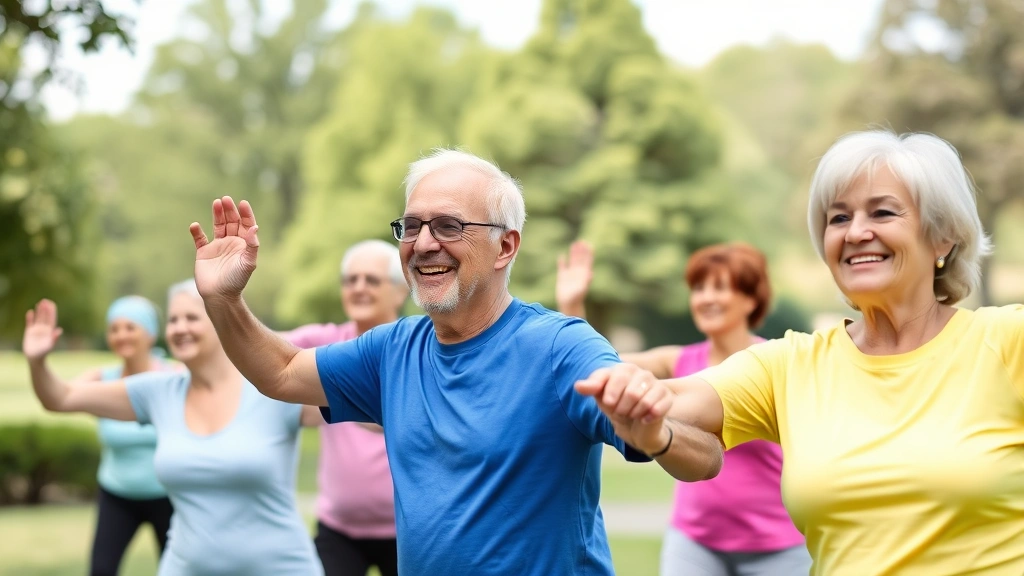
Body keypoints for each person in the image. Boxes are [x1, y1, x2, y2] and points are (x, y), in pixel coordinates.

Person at [186, 149, 713, 575]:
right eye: (411, 226)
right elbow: (280, 372)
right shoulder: (393, 350)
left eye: (448, 226)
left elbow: (706, 455)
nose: (423, 244)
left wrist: (656, 435)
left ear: (505, 246)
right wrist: (223, 301)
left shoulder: (560, 347)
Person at [581, 130, 1024, 575]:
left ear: (943, 238)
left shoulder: (1008, 341)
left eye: (883, 212)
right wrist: (627, 392)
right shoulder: (789, 365)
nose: (856, 233)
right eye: (838, 218)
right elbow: (677, 399)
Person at [23, 280, 325, 576]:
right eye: (173, 320)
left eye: (191, 318)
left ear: (222, 323)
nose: (180, 328)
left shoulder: (274, 387)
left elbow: (362, 409)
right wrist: (38, 363)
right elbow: (61, 397)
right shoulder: (158, 392)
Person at [556, 241, 810, 575]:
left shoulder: (776, 364)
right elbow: (599, 370)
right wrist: (572, 305)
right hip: (694, 542)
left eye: (720, 288)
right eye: (699, 288)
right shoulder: (680, 360)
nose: (705, 298)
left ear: (751, 299)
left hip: (777, 546)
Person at [279, 239, 408, 576]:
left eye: (371, 280)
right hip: (338, 530)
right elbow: (261, 350)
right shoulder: (324, 343)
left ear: (400, 291)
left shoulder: (415, 348)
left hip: (408, 530)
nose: (359, 288)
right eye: (351, 280)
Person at [75, 296, 175, 576]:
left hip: (169, 497)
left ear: (150, 333)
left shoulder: (175, 377)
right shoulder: (101, 380)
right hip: (116, 496)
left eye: (130, 327)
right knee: (101, 570)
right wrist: (37, 361)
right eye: (114, 328)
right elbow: (60, 395)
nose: (121, 335)